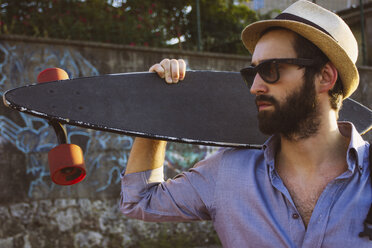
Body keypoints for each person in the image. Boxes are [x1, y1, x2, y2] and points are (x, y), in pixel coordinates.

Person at [120, 1, 371, 247]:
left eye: (272, 69)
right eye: (253, 72)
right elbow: (139, 201)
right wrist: (156, 103)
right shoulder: (228, 172)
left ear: (325, 77)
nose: (255, 87)